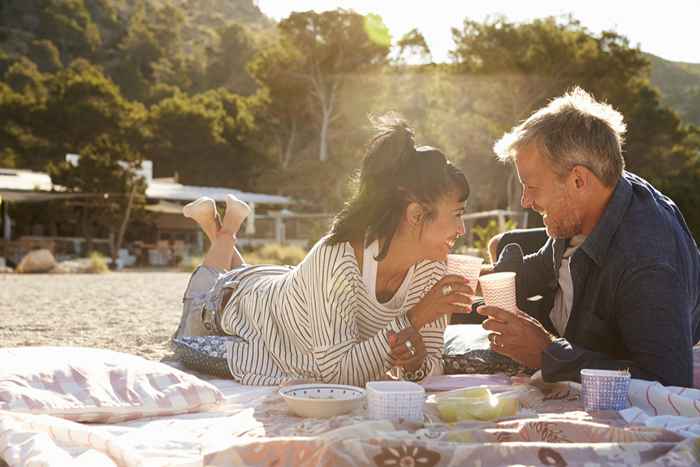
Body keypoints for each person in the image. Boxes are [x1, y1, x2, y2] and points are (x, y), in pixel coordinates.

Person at [176, 114, 473, 386]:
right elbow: (336, 374)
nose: (462, 231)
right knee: (192, 322)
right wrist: (415, 318)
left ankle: (221, 225)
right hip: (236, 305)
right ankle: (223, 232)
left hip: (292, 293)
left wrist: (416, 361)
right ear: (416, 214)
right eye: (457, 215)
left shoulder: (433, 267)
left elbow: (431, 365)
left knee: (245, 274)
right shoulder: (339, 259)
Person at [478, 87, 700, 386]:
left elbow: (667, 382)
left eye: (532, 186)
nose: (526, 201)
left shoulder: (647, 264)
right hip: (571, 333)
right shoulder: (587, 203)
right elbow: (548, 264)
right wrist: (474, 284)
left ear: (578, 180)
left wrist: (548, 352)